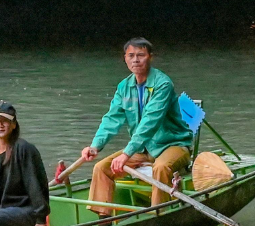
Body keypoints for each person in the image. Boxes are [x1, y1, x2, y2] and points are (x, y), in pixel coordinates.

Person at [80, 38, 193, 215]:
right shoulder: (124, 86)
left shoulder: (162, 84)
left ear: (150, 57)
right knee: (101, 168)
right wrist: (95, 145)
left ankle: (158, 213)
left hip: (172, 144)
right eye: (131, 55)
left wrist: (126, 153)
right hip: (142, 148)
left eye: (141, 55)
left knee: (161, 168)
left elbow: (150, 121)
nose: (135, 60)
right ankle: (104, 218)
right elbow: (112, 119)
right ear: (124, 58)